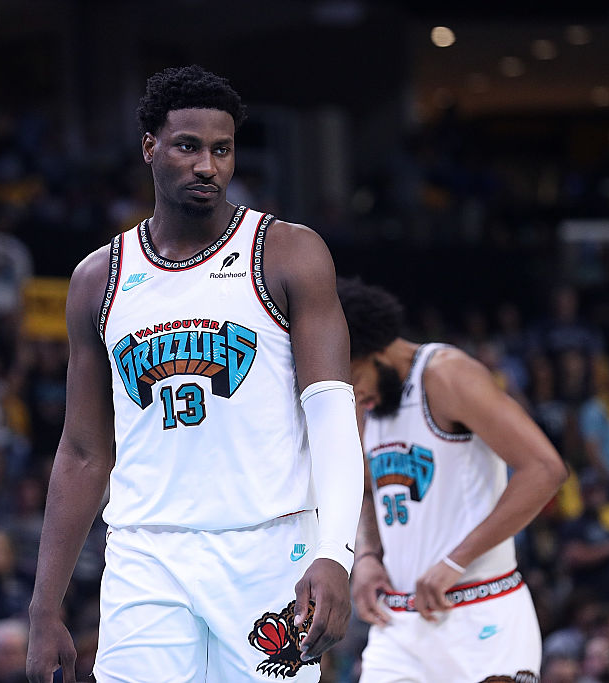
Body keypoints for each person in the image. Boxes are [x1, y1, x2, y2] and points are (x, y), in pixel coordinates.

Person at [25, 65, 363, 682]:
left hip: (268, 549)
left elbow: (335, 416)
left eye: (222, 149)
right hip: (146, 550)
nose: (207, 165)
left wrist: (336, 554)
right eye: (187, 146)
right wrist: (44, 607)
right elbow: (80, 452)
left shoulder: (288, 252)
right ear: (149, 146)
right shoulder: (96, 280)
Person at [338, 277, 567, 682]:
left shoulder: (447, 375)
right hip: (399, 627)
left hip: (481, 615)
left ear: (375, 349)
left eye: (354, 381)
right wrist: (368, 555)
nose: (354, 397)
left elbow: (545, 470)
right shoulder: (366, 400)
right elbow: (367, 490)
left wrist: (454, 560)